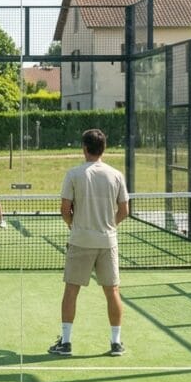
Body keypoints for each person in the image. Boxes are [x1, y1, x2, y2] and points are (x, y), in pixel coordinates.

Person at [49, 128, 130, 358]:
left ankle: (66, 343)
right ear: (103, 148)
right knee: (112, 290)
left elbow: (65, 210)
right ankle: (116, 344)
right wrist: (108, 226)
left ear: (84, 148)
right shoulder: (116, 175)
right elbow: (124, 211)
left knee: (71, 290)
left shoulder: (74, 174)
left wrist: (75, 226)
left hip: (81, 241)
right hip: (107, 241)